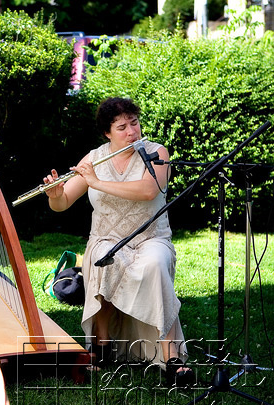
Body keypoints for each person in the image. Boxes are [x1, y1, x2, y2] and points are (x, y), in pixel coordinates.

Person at [43, 97, 193, 386]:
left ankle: (171, 358)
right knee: (102, 259)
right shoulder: (94, 158)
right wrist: (54, 194)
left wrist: (96, 182)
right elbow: (63, 203)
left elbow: (149, 191)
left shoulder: (156, 152)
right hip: (108, 237)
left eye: (134, 123)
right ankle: (101, 345)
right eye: (122, 127)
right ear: (107, 133)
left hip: (151, 237)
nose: (132, 132)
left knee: (154, 266)